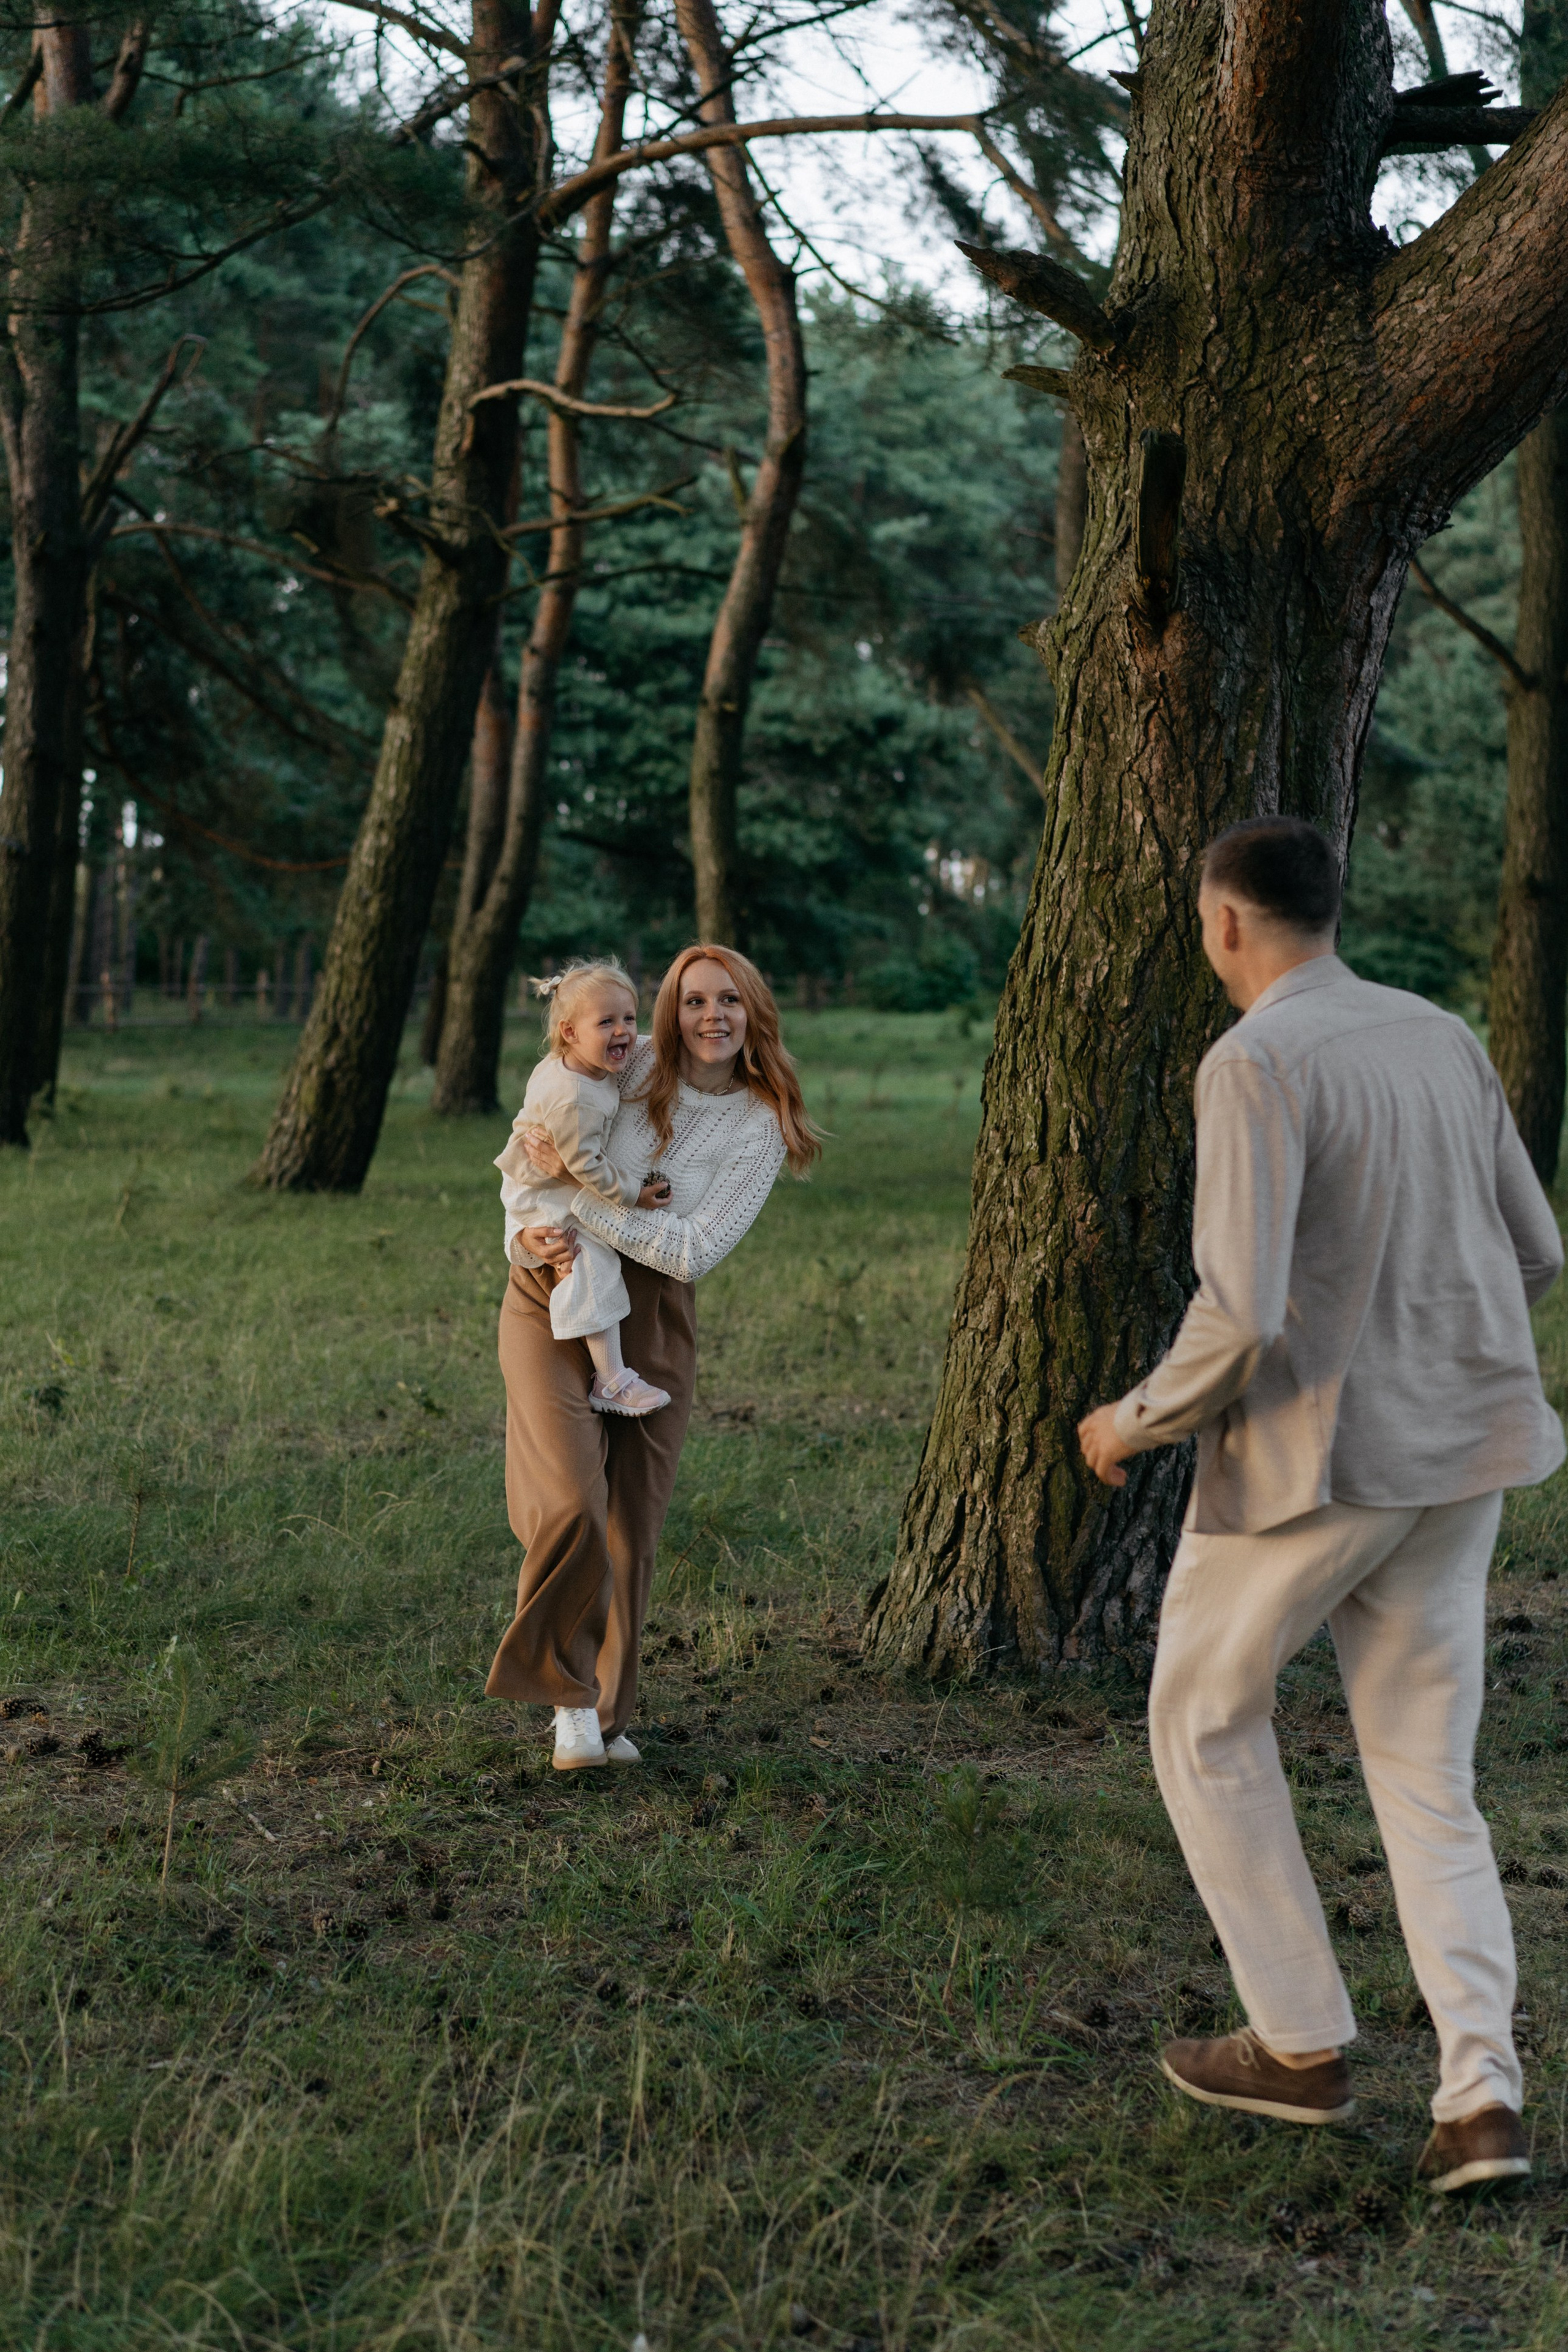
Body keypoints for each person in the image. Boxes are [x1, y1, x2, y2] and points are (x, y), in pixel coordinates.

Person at [1077, 815, 1564, 2196]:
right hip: (1466, 1445)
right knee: (1428, 1783)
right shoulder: (1438, 1032)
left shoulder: (1253, 1063)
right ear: (1323, 908)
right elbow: (1535, 1249)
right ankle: (1479, 2105)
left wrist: (1128, 1419)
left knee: (1197, 1714)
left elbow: (1235, 1315)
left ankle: (1297, 2043)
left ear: (1223, 924)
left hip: (1316, 1466)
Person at [485, 944, 821, 1773]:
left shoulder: (759, 1125)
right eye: (696, 1000)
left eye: (730, 1001)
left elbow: (692, 1252)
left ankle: (606, 1713)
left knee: (631, 1529)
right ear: (674, 1011)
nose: (713, 1016)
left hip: (654, 1320)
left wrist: (585, 1209)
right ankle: (566, 1696)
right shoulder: (626, 1069)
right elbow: (531, 1154)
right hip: (552, 1291)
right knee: (570, 1502)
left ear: (754, 1015)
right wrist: (524, 1229)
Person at [495, 959, 674, 1419]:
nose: (624, 1032)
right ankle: (611, 1380)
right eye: (607, 1022)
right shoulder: (574, 1096)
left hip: (543, 1179)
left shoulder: (582, 1065)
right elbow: (586, 1168)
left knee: (589, 1255)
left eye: (629, 1018)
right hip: (541, 1190)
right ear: (571, 1033)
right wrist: (635, 1193)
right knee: (591, 1260)